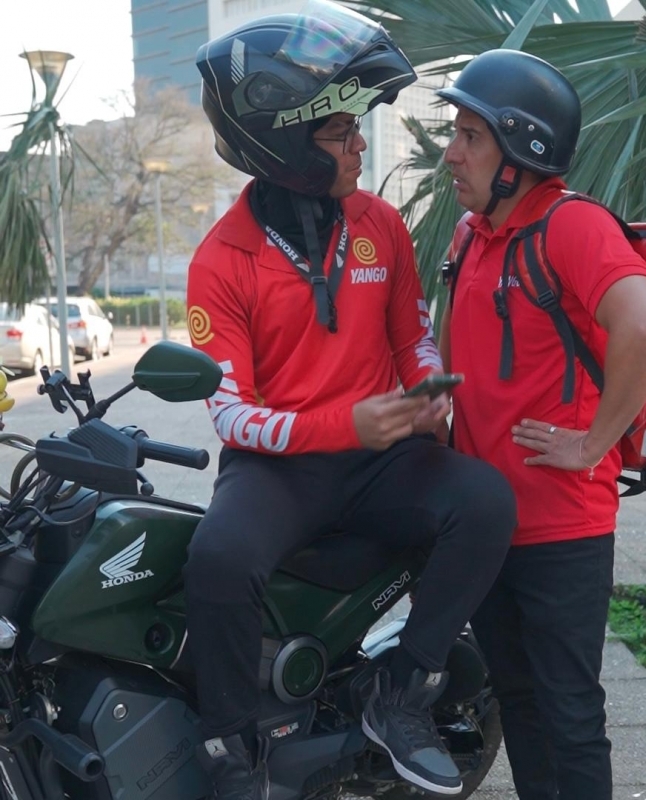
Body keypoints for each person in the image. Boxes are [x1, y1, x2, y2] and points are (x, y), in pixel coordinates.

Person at [184, 5, 517, 799]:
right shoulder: (220, 261)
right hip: (278, 469)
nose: (359, 144)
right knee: (217, 558)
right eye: (339, 133)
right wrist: (347, 422)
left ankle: (400, 695)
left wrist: (427, 389)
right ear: (285, 145)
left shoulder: (379, 227)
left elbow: (413, 337)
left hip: (381, 460)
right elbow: (232, 414)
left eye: (355, 129)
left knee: (487, 501)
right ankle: (232, 748)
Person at [437, 50, 646, 800]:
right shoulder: (472, 236)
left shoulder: (572, 227)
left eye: (470, 135)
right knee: (521, 704)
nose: (452, 153)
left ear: (521, 150)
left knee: (569, 712)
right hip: (487, 521)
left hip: (560, 526)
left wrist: (593, 442)